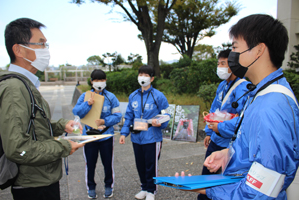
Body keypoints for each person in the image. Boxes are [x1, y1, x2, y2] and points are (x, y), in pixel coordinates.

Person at [192, 14, 299, 199]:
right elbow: (256, 147)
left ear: (258, 50)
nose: (232, 54)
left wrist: (208, 189)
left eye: (235, 47)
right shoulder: (260, 94)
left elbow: (260, 191)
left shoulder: (271, 106)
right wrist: (229, 154)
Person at [0, 18, 84, 200]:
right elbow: (17, 148)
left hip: (41, 178)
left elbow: (33, 127)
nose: (46, 50)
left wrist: (62, 125)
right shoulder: (15, 88)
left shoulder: (25, 84)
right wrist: (63, 146)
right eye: (41, 44)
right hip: (33, 185)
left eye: (46, 44)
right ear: (18, 49)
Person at [119, 65, 170, 200]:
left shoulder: (158, 96)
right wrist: (124, 133)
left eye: (146, 75)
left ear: (152, 78)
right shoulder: (133, 96)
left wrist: (160, 122)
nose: (143, 77)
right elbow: (129, 116)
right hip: (137, 137)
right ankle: (144, 188)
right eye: (140, 74)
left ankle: (151, 191)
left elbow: (166, 115)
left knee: (151, 165)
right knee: (140, 164)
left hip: (152, 137)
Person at [200, 49, 249, 181]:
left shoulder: (243, 88)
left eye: (223, 64)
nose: (219, 67)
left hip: (228, 144)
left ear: (234, 65)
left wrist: (220, 128)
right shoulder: (222, 85)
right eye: (218, 64)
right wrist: (209, 132)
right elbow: (214, 109)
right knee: (206, 177)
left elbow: (244, 118)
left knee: (222, 181)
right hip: (215, 139)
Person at [72, 69, 122, 199]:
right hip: (90, 136)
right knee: (90, 163)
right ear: (91, 81)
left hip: (106, 136)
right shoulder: (85, 96)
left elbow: (117, 116)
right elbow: (77, 112)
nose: (99, 82)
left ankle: (108, 186)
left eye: (102, 80)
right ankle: (91, 187)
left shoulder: (111, 97)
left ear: (105, 81)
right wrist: (87, 104)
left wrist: (105, 121)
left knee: (107, 163)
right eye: (96, 80)